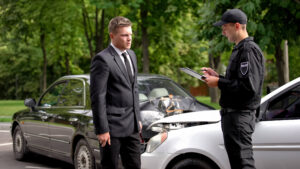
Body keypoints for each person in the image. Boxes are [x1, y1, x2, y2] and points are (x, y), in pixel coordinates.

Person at [202, 9, 264, 169]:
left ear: (237, 26)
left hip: (239, 117)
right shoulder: (240, 49)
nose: (222, 31)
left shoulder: (248, 50)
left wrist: (219, 83)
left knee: (243, 164)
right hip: (233, 118)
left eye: (225, 27)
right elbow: (239, 81)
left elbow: (249, 87)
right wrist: (219, 77)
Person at [90, 16, 142, 169]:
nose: (129, 39)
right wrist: (102, 129)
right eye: (125, 35)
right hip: (111, 129)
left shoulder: (132, 55)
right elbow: (97, 97)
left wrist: (137, 117)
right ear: (112, 36)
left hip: (132, 127)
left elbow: (135, 89)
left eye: (131, 34)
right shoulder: (102, 59)